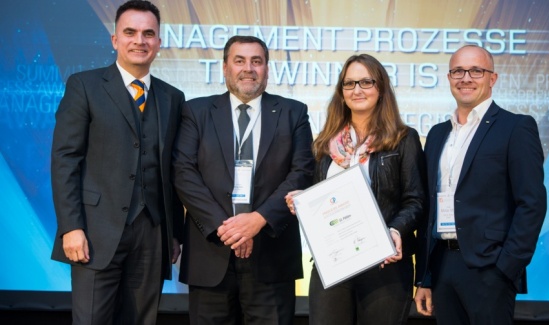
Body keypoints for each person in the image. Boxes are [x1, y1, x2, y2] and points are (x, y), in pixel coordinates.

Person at [50, 1, 184, 324]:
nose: (140, 40)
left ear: (159, 43)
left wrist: (174, 234)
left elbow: (174, 170)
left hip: (152, 236)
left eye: (149, 33)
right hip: (94, 234)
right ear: (114, 40)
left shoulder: (173, 98)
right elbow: (65, 159)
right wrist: (71, 227)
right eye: (131, 32)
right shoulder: (84, 86)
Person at [172, 35, 315, 325]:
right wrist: (229, 230)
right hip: (211, 252)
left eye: (256, 61)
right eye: (239, 61)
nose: (248, 68)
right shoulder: (196, 111)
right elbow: (184, 173)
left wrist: (257, 220)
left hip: (271, 255)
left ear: (267, 69)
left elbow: (301, 172)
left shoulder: (293, 112)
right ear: (225, 68)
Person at [285, 54, 426, 324]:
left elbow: (416, 201)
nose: (357, 90)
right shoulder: (325, 145)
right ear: (341, 92)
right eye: (349, 84)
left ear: (380, 88)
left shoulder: (403, 139)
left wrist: (395, 230)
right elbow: (321, 198)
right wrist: (304, 201)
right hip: (333, 265)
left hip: (385, 267)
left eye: (365, 82)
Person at [413, 45, 547, 324]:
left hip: (489, 269)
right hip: (442, 266)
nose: (466, 78)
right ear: (449, 78)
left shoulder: (515, 127)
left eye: (476, 71)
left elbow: (531, 203)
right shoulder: (438, 134)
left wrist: (506, 266)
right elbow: (428, 210)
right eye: (458, 71)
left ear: (492, 78)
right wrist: (424, 276)